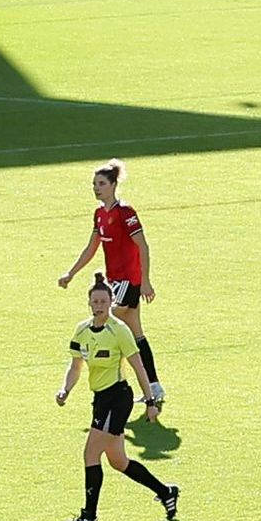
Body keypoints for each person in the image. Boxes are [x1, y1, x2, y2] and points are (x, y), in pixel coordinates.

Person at [58, 280, 180, 521]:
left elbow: (138, 366)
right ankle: (166, 492)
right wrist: (65, 390)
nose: (99, 306)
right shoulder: (82, 330)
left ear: (111, 302)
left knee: (90, 454)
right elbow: (76, 366)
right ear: (89, 303)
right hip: (100, 399)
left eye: (104, 301)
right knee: (118, 461)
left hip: (117, 398)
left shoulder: (120, 331)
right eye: (95, 301)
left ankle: (88, 516)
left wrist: (151, 402)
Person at [55, 159, 164, 410]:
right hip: (114, 280)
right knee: (136, 334)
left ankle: (115, 384)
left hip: (128, 280)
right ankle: (154, 387)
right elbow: (91, 248)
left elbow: (143, 246)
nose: (96, 188)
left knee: (107, 323)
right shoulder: (99, 215)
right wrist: (71, 273)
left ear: (114, 185)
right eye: (94, 184)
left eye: (102, 184)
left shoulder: (125, 213)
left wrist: (145, 281)